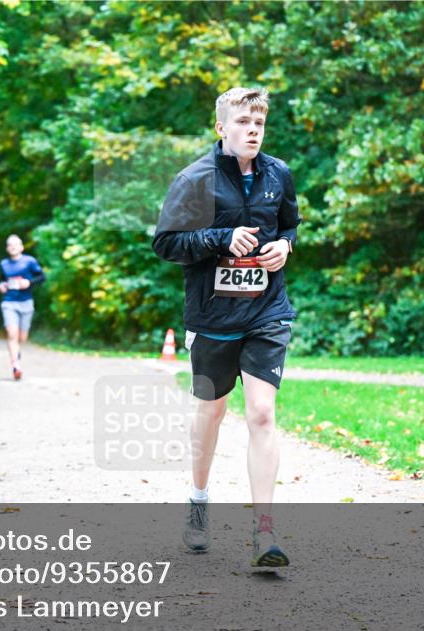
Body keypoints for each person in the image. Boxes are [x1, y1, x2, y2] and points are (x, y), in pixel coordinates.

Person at [152, 87, 299, 568]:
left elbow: (289, 225)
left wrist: (285, 247)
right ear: (222, 127)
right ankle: (198, 500)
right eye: (243, 122)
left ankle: (265, 531)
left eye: (259, 123)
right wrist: (221, 238)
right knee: (210, 413)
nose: (253, 131)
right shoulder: (194, 179)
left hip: (266, 311)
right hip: (213, 316)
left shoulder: (278, 174)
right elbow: (166, 243)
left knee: (262, 413)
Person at [0, 234, 45, 380]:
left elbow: (42, 277)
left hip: (26, 302)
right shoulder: (3, 264)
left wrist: (29, 282)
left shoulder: (30, 261)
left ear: (21, 247)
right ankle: (15, 366)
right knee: (12, 335)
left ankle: (16, 355)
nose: (13, 247)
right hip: (9, 302)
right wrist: (1, 286)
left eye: (15, 244)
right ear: (7, 248)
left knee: (22, 338)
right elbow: (2, 281)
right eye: (10, 244)